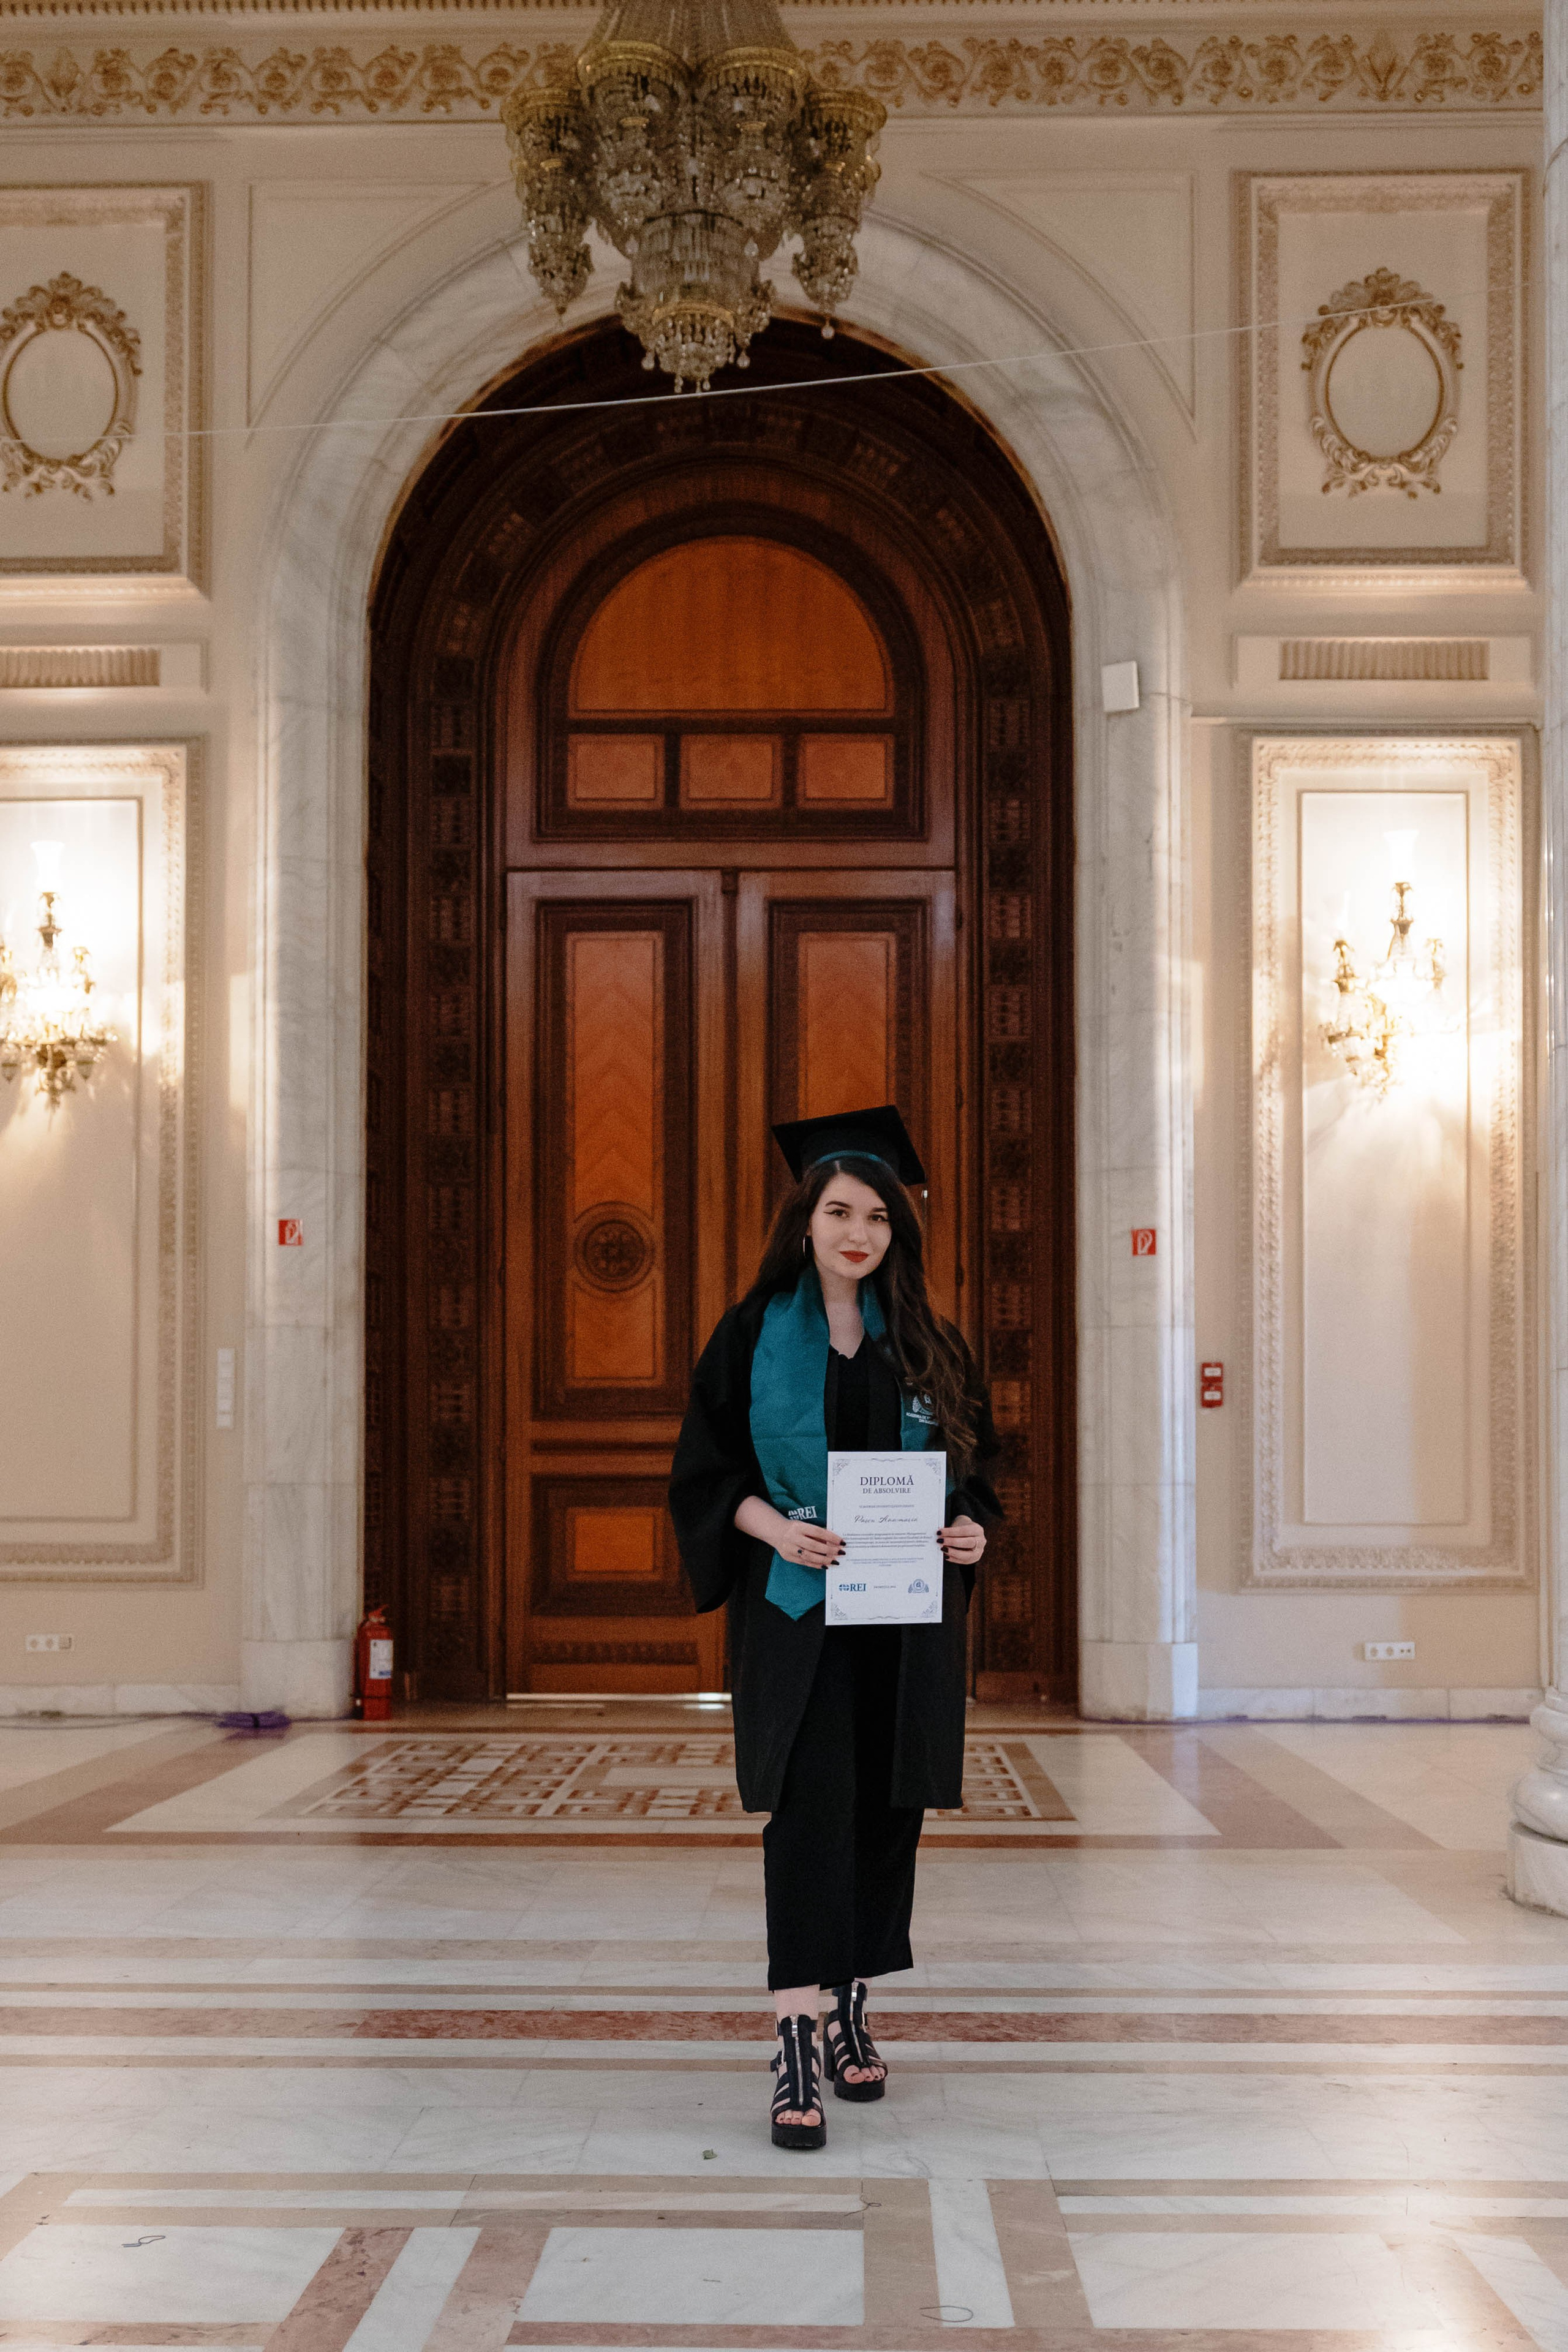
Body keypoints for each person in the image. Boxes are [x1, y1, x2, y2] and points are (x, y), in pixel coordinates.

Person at [668, 1104, 1002, 2151]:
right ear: (805, 1220)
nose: (859, 1233)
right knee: (808, 1818)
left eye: (878, 1219)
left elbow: (980, 1482)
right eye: (839, 1212)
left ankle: (855, 2000)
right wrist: (772, 1527)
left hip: (902, 1630)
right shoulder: (752, 1332)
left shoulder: (931, 1347)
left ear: (897, 1234)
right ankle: (797, 2041)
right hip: (796, 1621)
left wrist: (970, 1535)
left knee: (880, 1816)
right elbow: (704, 1470)